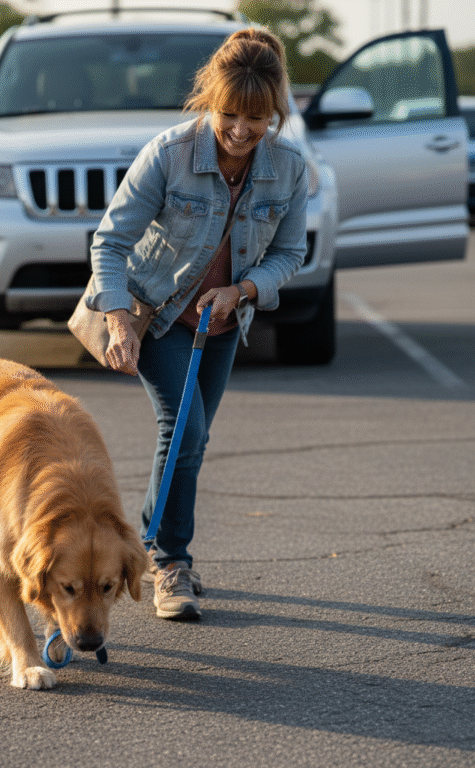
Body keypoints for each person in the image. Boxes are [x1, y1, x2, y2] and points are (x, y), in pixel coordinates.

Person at [87, 28, 308, 620]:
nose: (239, 130)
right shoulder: (169, 153)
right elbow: (110, 242)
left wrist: (243, 289)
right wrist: (118, 322)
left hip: (223, 319)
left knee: (197, 435)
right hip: (156, 316)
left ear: (275, 113)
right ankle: (167, 562)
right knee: (181, 431)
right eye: (228, 113)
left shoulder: (288, 168)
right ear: (209, 100)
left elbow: (292, 253)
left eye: (255, 118)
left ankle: (145, 545)